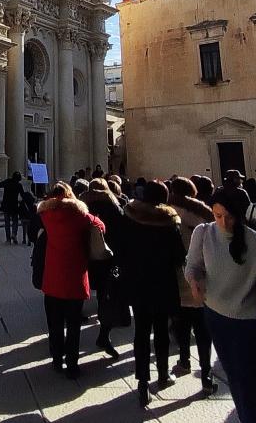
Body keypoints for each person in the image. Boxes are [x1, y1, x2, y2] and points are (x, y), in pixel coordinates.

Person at [185, 188, 256, 423]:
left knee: (246, 379)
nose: (224, 222)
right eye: (217, 215)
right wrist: (194, 281)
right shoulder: (203, 233)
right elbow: (192, 266)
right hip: (217, 316)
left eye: (229, 216)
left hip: (248, 319)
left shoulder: (253, 240)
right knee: (235, 376)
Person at [121, 180, 186, 407]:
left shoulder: (130, 218)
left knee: (140, 332)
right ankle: (162, 374)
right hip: (162, 284)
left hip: (138, 284)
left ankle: (141, 382)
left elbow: (121, 249)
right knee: (160, 331)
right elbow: (179, 257)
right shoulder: (168, 222)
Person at [38, 181, 105, 378]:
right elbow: (100, 226)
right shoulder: (80, 216)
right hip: (75, 276)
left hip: (53, 277)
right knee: (74, 324)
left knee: (55, 323)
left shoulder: (46, 215)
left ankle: (57, 359)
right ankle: (72, 365)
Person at [168, 177, 216, 393]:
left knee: (181, 322)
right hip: (200, 275)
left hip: (177, 275)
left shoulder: (166, 211)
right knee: (202, 328)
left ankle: (184, 359)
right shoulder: (202, 214)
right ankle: (206, 374)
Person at [81, 178, 126, 358]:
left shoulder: (80, 206)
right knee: (106, 297)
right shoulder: (114, 207)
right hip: (108, 260)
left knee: (81, 293)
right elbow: (122, 234)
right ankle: (103, 334)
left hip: (84, 259)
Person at [0, 172, 24, 244]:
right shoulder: (19, 185)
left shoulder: (7, 182)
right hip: (14, 205)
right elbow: (23, 195)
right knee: (15, 221)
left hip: (6, 205)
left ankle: (8, 239)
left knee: (7, 222)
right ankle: (14, 234)